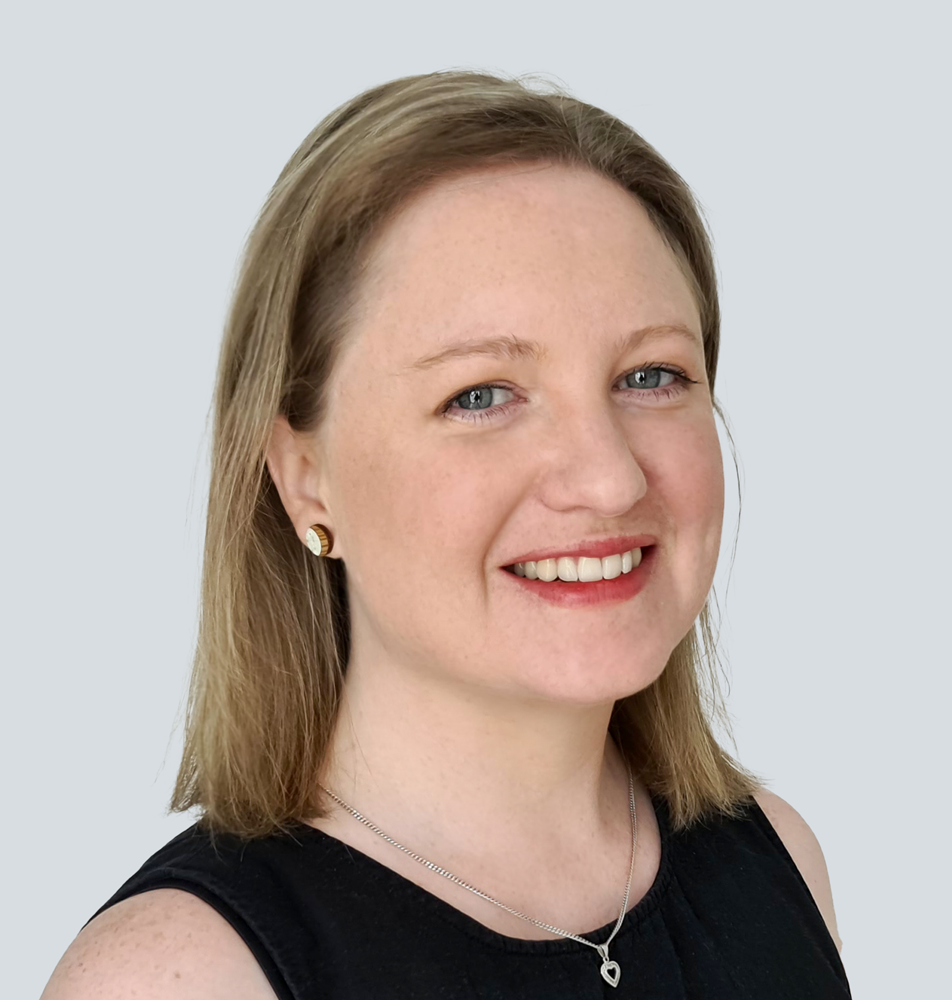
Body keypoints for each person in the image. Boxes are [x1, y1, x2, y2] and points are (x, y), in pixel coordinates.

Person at [41, 70, 850, 999]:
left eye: (651, 376)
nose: (608, 476)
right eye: (481, 395)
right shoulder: (185, 979)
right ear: (305, 476)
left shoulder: (778, 861)